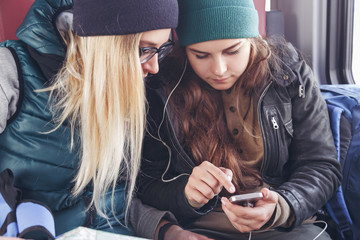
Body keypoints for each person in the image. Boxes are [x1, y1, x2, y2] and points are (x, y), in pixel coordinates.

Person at [138, 0, 342, 239]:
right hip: (197, 227)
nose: (220, 69)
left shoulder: (289, 72)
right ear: (184, 51)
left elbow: (322, 166)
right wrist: (186, 194)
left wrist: (281, 206)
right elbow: (146, 182)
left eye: (232, 51)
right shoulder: (162, 87)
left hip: (284, 226)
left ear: (253, 40)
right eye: (200, 55)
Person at [0, 0, 191, 239]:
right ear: (105, 43)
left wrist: (166, 230)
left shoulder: (126, 92)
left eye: (161, 49)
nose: (154, 67)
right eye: (143, 49)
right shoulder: (9, 69)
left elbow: (112, 202)